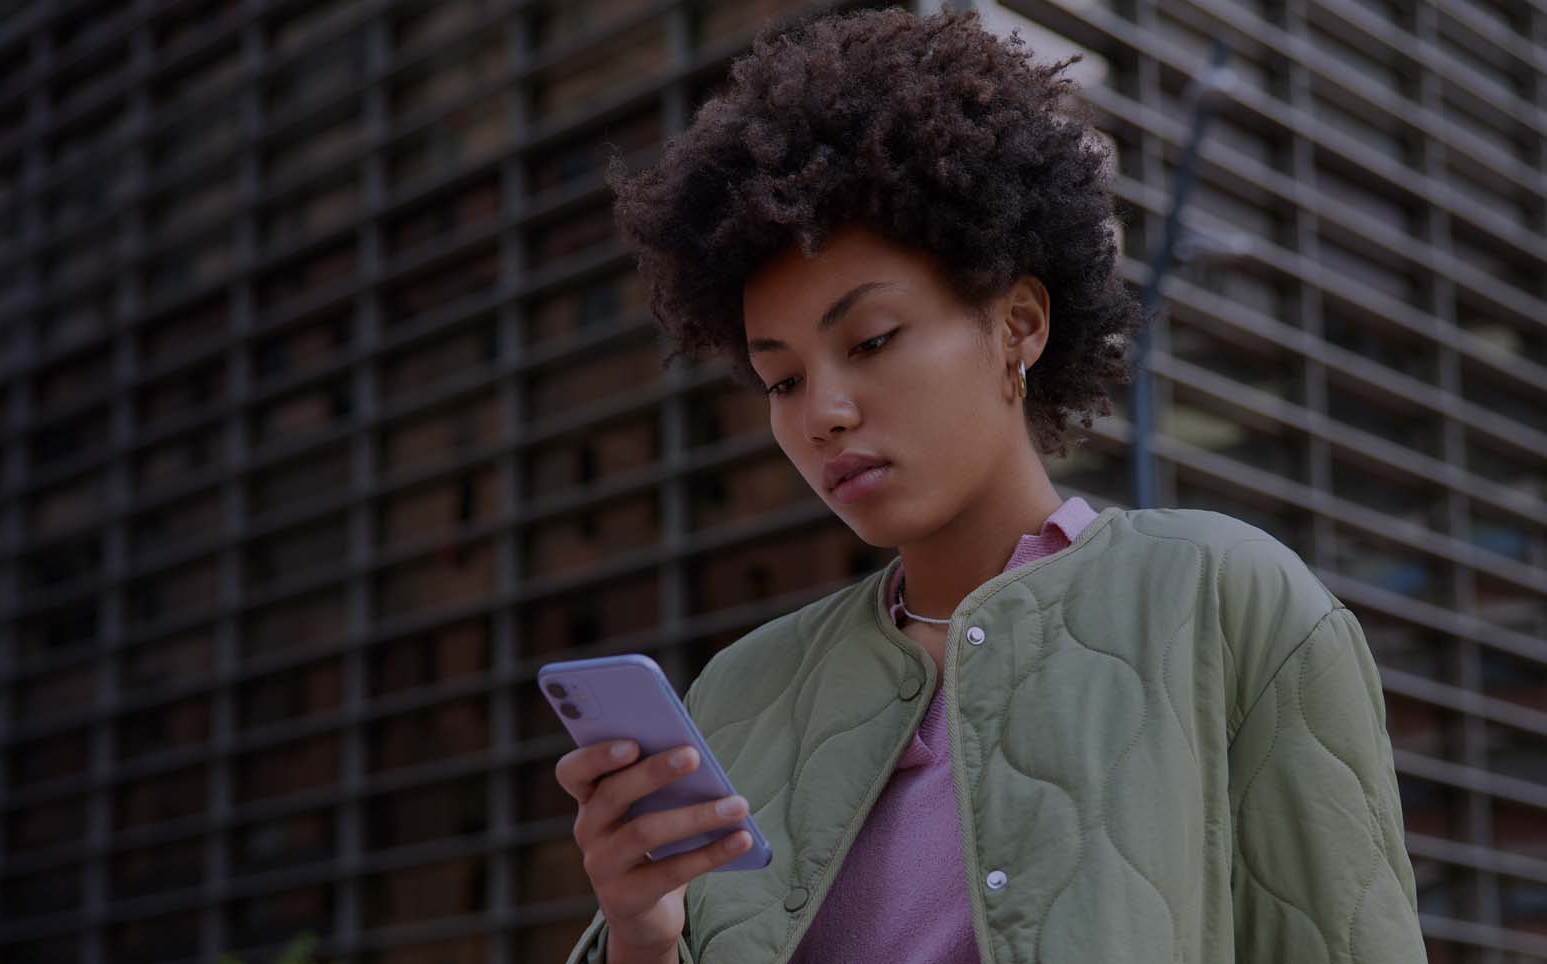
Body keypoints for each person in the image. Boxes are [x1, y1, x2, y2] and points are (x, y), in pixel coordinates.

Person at [552, 6, 1426, 964]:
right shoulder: (742, 694)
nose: (822, 414)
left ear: (1019, 324)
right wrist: (641, 935)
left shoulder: (1230, 602)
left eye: (872, 340)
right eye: (783, 379)